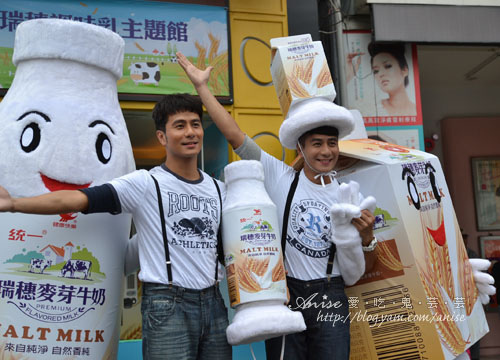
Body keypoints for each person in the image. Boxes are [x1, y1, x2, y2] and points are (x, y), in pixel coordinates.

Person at [177, 52, 378, 360]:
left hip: (331, 294)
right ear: (301, 146)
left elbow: (364, 264)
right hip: (289, 294)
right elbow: (234, 135)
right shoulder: (280, 177)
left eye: (332, 143)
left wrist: (367, 238)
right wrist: (203, 88)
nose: (326, 151)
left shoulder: (348, 193)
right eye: (317, 144)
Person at [0, 94, 231, 360]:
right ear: (162, 137)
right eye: (180, 126)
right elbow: (79, 199)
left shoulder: (219, 189)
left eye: (195, 124)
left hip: (215, 303)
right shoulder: (145, 183)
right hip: (169, 304)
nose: (190, 132)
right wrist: (15, 203)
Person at [346, 43, 416, 117]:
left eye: (388, 66)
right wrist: (348, 76)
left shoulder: (416, 110)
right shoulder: (368, 109)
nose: (381, 74)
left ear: (404, 70)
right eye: (376, 71)